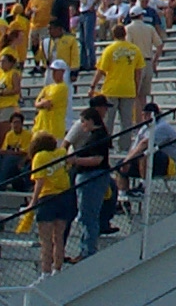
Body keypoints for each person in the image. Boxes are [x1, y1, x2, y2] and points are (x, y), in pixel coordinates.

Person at [25, 131, 74, 278]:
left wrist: (32, 203)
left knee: (45, 240)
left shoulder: (40, 157)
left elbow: (40, 182)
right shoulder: (60, 153)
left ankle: (45, 272)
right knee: (59, 238)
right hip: (64, 197)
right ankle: (57, 269)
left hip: (47, 198)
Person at [68, 106, 112, 261]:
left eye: (83, 121)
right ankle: (85, 249)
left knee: (89, 215)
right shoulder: (94, 135)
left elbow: (98, 159)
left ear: (91, 120)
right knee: (86, 215)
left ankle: (88, 251)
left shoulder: (98, 136)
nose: (82, 125)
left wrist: (75, 160)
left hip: (93, 178)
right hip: (87, 177)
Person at [90, 24, 144, 139]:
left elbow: (100, 70)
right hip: (128, 89)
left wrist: (92, 87)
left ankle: (107, 145)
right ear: (125, 34)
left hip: (111, 89)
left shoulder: (109, 50)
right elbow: (138, 72)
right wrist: (136, 88)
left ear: (113, 35)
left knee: (108, 121)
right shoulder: (135, 50)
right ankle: (125, 147)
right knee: (127, 122)